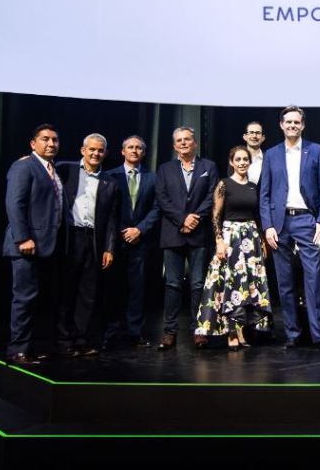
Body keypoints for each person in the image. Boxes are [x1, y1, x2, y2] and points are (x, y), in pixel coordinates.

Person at [259, 106, 320, 353]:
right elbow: (264, 194)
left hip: (306, 221)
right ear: (281, 125)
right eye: (288, 122)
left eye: (296, 122)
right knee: (284, 282)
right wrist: (268, 226)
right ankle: (293, 334)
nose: (292, 125)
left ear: (302, 125)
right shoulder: (271, 154)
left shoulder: (316, 151)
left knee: (312, 279)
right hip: (279, 223)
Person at [196, 145, 272, 350]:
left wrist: (262, 240)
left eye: (245, 159)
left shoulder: (253, 186)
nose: (242, 163)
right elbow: (215, 215)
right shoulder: (224, 184)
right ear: (231, 162)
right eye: (237, 159)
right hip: (231, 237)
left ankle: (241, 330)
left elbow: (257, 215)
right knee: (231, 285)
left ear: (250, 162)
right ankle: (231, 331)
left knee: (247, 287)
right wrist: (219, 241)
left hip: (251, 239)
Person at [3, 124, 64, 365]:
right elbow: (14, 203)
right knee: (24, 298)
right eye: (45, 139)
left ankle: (28, 348)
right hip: (26, 244)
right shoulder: (23, 166)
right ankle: (17, 350)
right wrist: (22, 238)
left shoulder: (52, 169)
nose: (51, 144)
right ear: (33, 143)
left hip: (46, 245)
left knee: (37, 299)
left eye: (55, 140)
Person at [154, 127, 219, 351]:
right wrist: (183, 219)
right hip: (173, 233)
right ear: (174, 146)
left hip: (199, 234)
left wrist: (195, 218)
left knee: (198, 284)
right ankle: (170, 331)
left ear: (195, 143)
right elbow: (162, 198)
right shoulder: (165, 169)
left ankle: (198, 330)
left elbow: (212, 196)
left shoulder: (208, 167)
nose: (183, 143)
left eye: (187, 139)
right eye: (179, 140)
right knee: (173, 284)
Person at [54, 133, 119, 357]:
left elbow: (112, 219)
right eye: (91, 149)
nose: (95, 153)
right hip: (70, 238)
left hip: (94, 241)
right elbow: (42, 168)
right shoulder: (65, 169)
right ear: (83, 150)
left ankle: (81, 340)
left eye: (100, 150)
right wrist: (27, 159)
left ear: (106, 153)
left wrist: (109, 248)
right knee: (66, 291)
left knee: (88, 293)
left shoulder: (110, 182)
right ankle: (64, 341)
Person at [102, 135, 159, 348]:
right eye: (130, 147)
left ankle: (135, 333)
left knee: (138, 290)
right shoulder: (109, 176)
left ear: (143, 153)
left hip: (141, 242)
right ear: (122, 151)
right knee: (113, 289)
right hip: (114, 242)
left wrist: (139, 229)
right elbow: (105, 209)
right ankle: (111, 333)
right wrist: (120, 232)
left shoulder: (153, 178)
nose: (134, 150)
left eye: (138, 148)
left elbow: (157, 208)